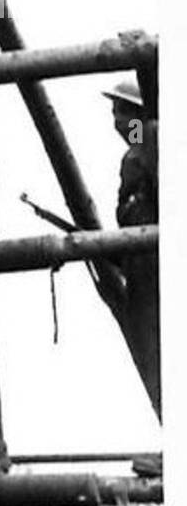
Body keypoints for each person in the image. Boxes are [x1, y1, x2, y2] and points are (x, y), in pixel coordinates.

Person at [104, 76, 160, 465]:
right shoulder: (136, 154)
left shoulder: (147, 150)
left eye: (122, 112)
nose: (117, 122)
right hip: (142, 272)